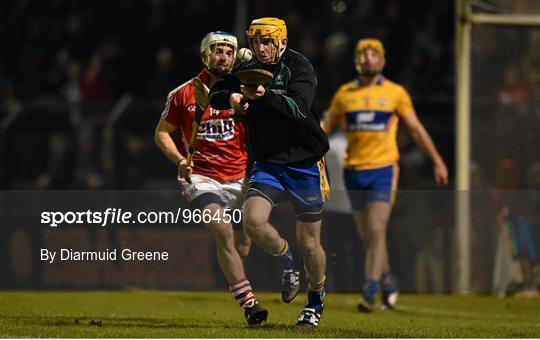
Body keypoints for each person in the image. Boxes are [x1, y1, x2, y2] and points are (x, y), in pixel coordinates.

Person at [209, 17, 330, 327]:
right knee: (252, 221)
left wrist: (265, 96)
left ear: (282, 42)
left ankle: (315, 299)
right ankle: (287, 259)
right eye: (256, 41)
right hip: (268, 163)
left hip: (304, 162)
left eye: (267, 42)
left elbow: (299, 107)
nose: (260, 48)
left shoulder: (298, 66)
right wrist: (233, 97)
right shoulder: (245, 65)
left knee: (311, 244)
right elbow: (215, 93)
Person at [324, 38, 448, 312]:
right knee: (369, 237)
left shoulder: (395, 93)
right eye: (363, 54)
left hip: (383, 170)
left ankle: (369, 290)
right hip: (353, 172)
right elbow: (325, 127)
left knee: (377, 229)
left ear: (382, 60)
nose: (369, 58)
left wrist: (437, 160)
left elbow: (415, 128)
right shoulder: (345, 94)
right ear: (357, 61)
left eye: (374, 53)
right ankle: (388, 279)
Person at [154, 31, 267, 325]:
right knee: (222, 229)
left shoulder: (244, 91)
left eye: (229, 52)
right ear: (205, 55)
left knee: (241, 244)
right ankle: (250, 304)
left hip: (238, 177)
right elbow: (162, 133)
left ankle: (234, 275)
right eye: (218, 51)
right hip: (200, 176)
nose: (224, 57)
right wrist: (180, 159)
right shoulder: (182, 94)